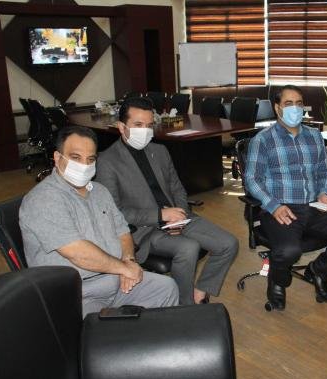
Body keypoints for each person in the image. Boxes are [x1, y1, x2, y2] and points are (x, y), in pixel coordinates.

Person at [19, 126, 179, 317]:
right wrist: (123, 268)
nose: (84, 165)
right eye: (76, 157)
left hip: (116, 278)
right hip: (76, 292)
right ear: (57, 157)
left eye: (90, 159)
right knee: (104, 327)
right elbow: (79, 254)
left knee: (166, 288)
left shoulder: (100, 191)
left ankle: (153, 336)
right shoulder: (43, 199)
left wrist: (128, 261)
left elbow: (123, 231)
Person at [95, 97, 238, 305]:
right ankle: (184, 306)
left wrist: (179, 213)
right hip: (144, 230)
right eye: (138, 125)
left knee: (229, 244)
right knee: (188, 248)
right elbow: (114, 212)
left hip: (178, 218)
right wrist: (160, 216)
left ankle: (199, 292)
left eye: (149, 125)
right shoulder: (107, 161)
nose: (145, 131)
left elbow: (177, 188)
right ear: (121, 127)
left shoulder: (159, 151)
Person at [244, 85, 327, 310]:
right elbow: (252, 179)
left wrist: (323, 191)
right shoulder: (263, 140)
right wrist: (273, 205)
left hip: (313, 206)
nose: (295, 108)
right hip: (281, 209)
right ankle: (277, 280)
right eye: (288, 104)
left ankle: (319, 270)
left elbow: (323, 170)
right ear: (277, 108)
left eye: (299, 104)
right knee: (289, 251)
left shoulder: (314, 136)